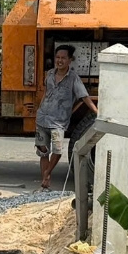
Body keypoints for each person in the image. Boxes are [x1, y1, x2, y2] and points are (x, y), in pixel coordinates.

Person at [35, 44, 98, 190]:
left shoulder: (73, 79)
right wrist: (39, 109)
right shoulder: (50, 74)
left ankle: (47, 174)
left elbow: (84, 97)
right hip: (42, 119)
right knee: (43, 152)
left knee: (57, 151)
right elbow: (46, 93)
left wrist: (97, 112)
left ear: (70, 60)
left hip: (58, 122)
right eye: (57, 57)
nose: (60, 60)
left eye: (63, 58)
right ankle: (45, 185)